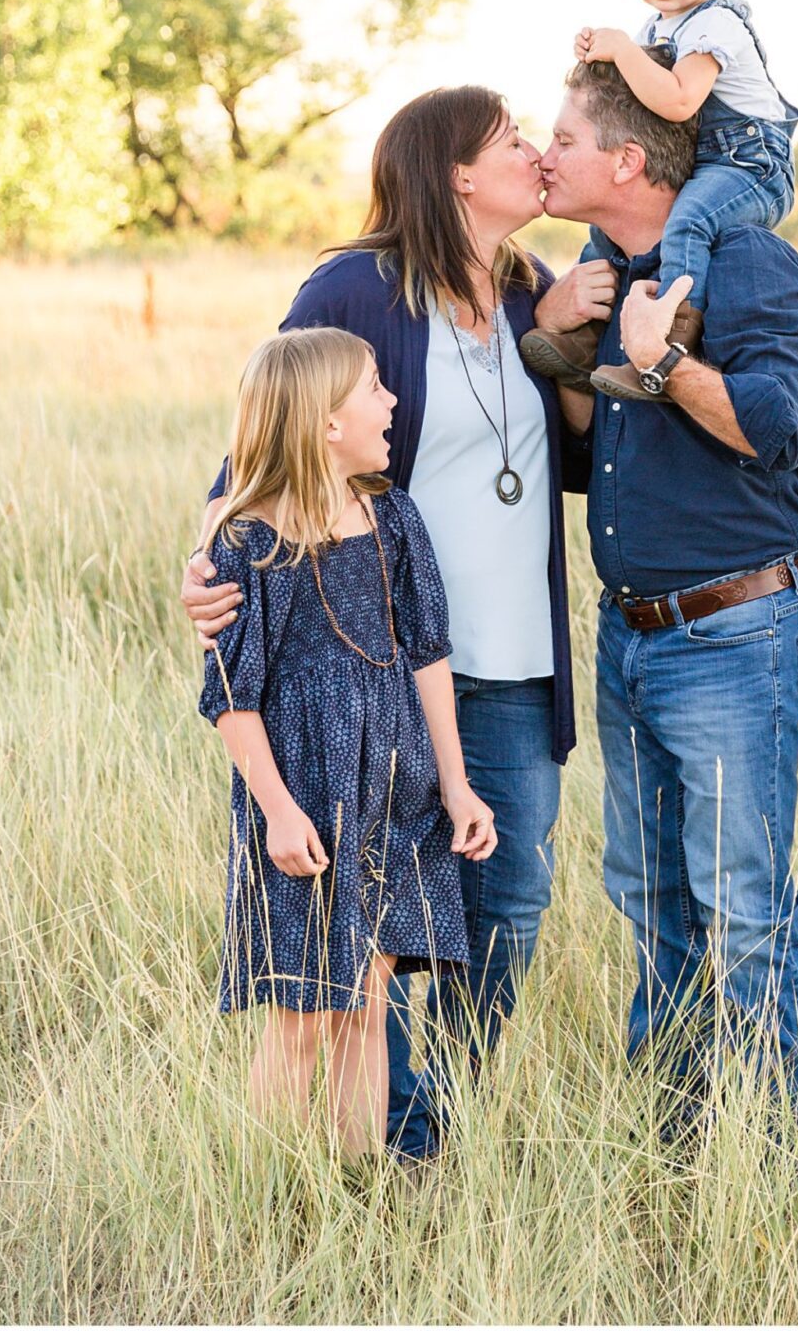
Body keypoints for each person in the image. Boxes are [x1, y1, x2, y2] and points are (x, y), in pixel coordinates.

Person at [181, 87, 610, 1161]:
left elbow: (573, 463)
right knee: (374, 915)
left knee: (509, 895)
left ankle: (436, 1110)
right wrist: (208, 556)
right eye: (513, 138)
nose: (533, 153)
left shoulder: (530, 292)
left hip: (506, 653)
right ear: (457, 171)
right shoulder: (358, 286)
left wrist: (567, 350)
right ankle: (392, 1137)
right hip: (371, 665)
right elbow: (265, 436)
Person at [535, 56, 798, 1128]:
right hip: (630, 634)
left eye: (560, 137)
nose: (543, 154)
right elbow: (591, 461)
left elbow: (772, 427)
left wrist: (658, 362)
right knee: (648, 892)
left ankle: (777, 1148)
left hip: (732, 629)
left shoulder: (748, 264)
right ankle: (671, 1130)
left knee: (743, 901)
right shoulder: (602, 264)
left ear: (624, 156)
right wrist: (570, 356)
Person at [196, 325, 496, 1159]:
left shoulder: (392, 516)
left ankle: (356, 1186)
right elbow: (229, 698)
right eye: (373, 387)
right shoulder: (247, 538)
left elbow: (429, 655)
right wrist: (280, 815)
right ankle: (269, 1187)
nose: (391, 400)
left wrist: (457, 785)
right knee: (301, 1009)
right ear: (326, 421)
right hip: (303, 795)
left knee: (367, 998)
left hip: (395, 783)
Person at [522, 0, 798, 402]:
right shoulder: (658, 27)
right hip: (706, 161)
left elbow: (677, 101)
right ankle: (586, 339)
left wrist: (623, 50)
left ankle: (670, 347)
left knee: (688, 222)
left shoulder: (717, 23)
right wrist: (602, 55)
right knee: (603, 238)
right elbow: (635, 99)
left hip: (750, 165)